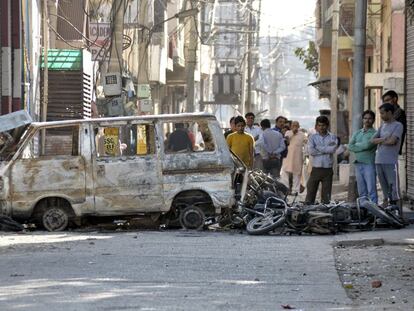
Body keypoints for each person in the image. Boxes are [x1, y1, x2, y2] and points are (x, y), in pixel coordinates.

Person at [371, 103, 404, 213]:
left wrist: (381, 140)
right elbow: (372, 140)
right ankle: (388, 215)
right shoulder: (382, 126)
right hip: (379, 161)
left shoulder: (398, 125)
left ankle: (400, 214)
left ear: (390, 112)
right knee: (385, 190)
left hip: (390, 162)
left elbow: (393, 141)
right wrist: (384, 138)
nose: (381, 115)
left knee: (394, 189)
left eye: (382, 113)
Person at [305, 116, 338, 204]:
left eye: (323, 125)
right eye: (319, 125)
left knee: (326, 197)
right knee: (310, 194)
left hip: (328, 170)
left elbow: (332, 149)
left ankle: (324, 214)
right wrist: (325, 149)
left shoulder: (332, 137)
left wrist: (318, 148)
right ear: (316, 126)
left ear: (327, 126)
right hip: (316, 169)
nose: (321, 127)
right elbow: (311, 151)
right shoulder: (312, 137)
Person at [348, 110, 378, 203]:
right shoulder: (357, 133)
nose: (367, 120)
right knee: (362, 192)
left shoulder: (375, 133)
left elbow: (368, 146)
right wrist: (362, 145)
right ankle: (363, 212)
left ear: (373, 120)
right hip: (358, 164)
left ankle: (374, 214)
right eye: (365, 118)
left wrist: (357, 145)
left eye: (370, 118)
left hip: (369, 164)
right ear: (362, 120)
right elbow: (350, 146)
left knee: (371, 190)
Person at [281, 121, 307, 194]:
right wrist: (293, 132)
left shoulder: (302, 134)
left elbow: (306, 142)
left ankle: (295, 190)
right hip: (288, 156)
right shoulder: (288, 133)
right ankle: (285, 190)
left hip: (297, 157)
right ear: (291, 126)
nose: (295, 127)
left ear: (299, 126)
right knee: (285, 172)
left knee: (297, 173)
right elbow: (287, 139)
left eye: (296, 125)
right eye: (293, 125)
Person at [382, 90, 406, 155]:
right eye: (384, 102)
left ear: (395, 99)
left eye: (387, 100)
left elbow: (399, 136)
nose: (386, 103)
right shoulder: (389, 116)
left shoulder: (400, 115)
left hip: (395, 152)